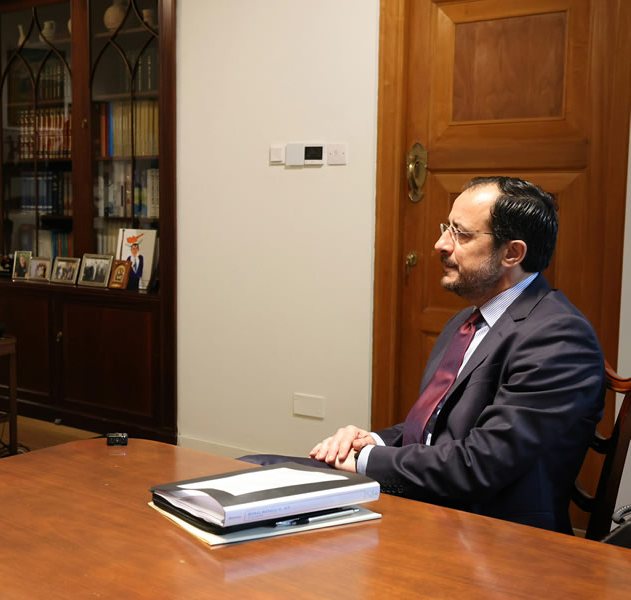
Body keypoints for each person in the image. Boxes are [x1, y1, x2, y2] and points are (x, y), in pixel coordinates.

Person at [258, 177, 605, 534]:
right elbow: (437, 430)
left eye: (461, 234)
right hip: (431, 502)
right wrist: (373, 441)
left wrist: (365, 460)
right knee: (256, 468)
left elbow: (480, 465)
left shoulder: (559, 338)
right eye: (446, 228)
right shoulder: (467, 321)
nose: (441, 244)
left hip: (488, 534)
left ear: (512, 254)